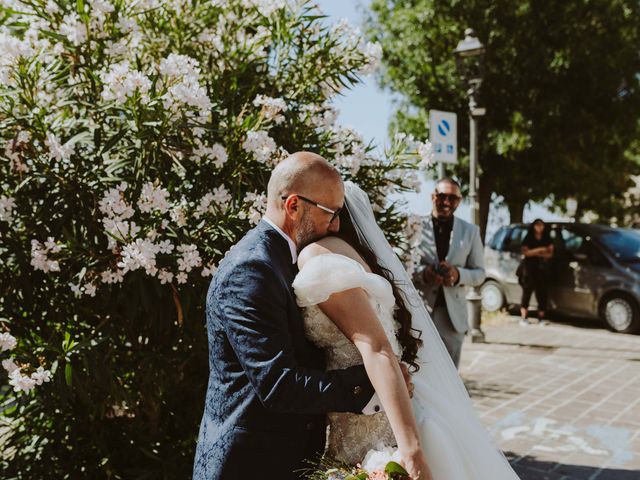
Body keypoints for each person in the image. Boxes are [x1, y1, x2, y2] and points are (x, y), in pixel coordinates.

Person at [192, 152, 412, 480]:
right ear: (294, 206)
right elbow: (279, 384)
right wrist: (370, 386)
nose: (336, 224)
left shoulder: (286, 260)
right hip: (249, 465)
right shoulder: (251, 269)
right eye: (330, 213)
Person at [294, 182, 520, 479]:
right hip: (384, 404)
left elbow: (375, 347)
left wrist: (411, 452)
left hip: (368, 419)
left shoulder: (319, 256)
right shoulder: (361, 257)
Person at [411, 178, 486, 368]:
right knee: (420, 373)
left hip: (452, 319)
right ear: (432, 196)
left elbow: (479, 274)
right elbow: (402, 266)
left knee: (450, 377)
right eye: (442, 196)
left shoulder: (471, 231)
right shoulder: (414, 225)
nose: (446, 202)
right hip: (419, 314)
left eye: (452, 198)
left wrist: (457, 275)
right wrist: (424, 274)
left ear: (459, 201)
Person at [519, 219, 554, 325]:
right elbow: (526, 252)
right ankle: (524, 317)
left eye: (541, 225)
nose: (539, 228)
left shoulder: (547, 238)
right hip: (529, 269)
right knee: (527, 292)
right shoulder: (528, 237)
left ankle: (541, 318)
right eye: (537, 225)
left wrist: (534, 252)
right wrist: (540, 250)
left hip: (542, 269)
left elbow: (550, 253)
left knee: (542, 293)